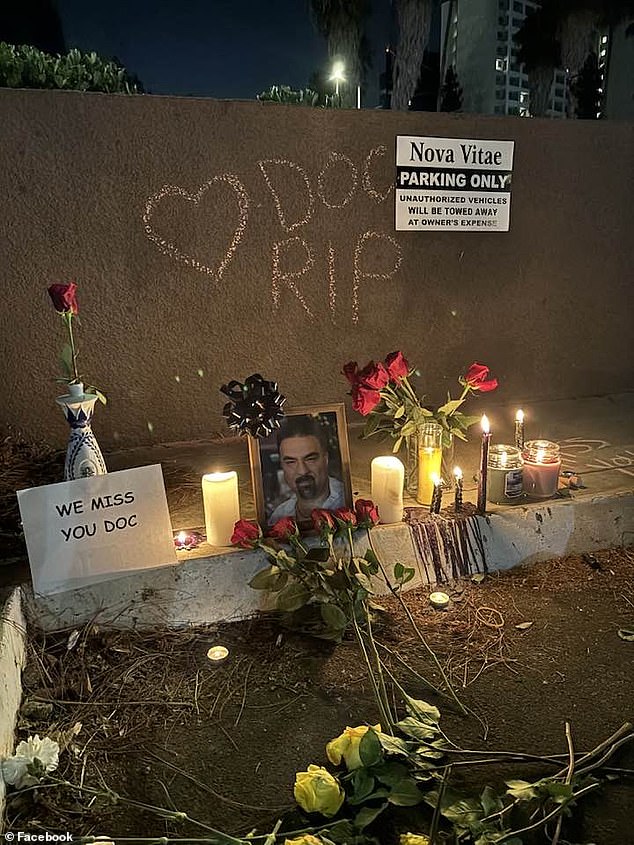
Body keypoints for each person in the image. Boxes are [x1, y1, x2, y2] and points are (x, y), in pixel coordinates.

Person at [268, 416, 344, 527]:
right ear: (282, 465)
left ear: (325, 459)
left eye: (310, 459)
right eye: (291, 462)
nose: (302, 471)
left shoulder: (347, 501)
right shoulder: (279, 516)